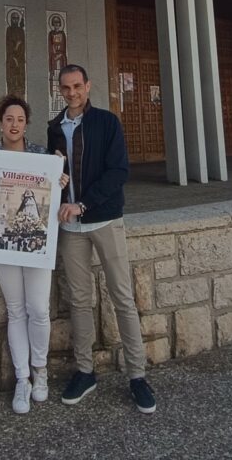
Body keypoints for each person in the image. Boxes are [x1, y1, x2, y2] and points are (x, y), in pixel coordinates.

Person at [47, 64, 157, 414]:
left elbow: (118, 171)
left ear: (88, 86)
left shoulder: (107, 122)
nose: (72, 93)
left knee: (122, 297)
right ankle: (85, 371)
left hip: (105, 219)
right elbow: (55, 174)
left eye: (77, 86)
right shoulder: (54, 127)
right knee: (79, 301)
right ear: (59, 89)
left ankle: (137, 375)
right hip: (71, 228)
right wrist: (59, 186)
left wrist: (83, 203)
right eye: (65, 88)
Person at [0, 95, 68, 415]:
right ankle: (22, 378)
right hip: (3, 243)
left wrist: (60, 180)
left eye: (20, 119)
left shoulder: (41, 155)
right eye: (9, 119)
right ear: (0, 122)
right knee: (16, 310)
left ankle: (41, 372)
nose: (14, 124)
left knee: (38, 308)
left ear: (26, 123)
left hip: (35, 243)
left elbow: (51, 194)